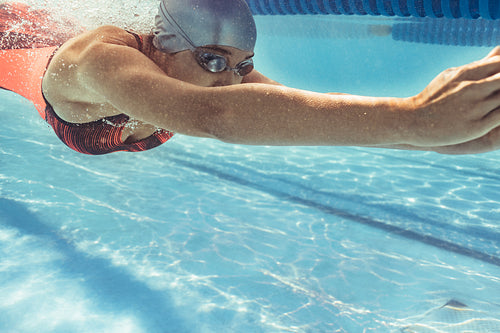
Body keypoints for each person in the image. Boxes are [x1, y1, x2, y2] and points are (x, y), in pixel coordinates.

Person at [2, 0, 500, 155]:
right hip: (18, 55)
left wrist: (452, 137)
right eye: (215, 61)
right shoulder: (100, 60)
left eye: (243, 65)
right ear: (162, 44)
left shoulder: (218, 78)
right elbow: (212, 114)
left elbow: (310, 110)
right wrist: (414, 118)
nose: (232, 81)